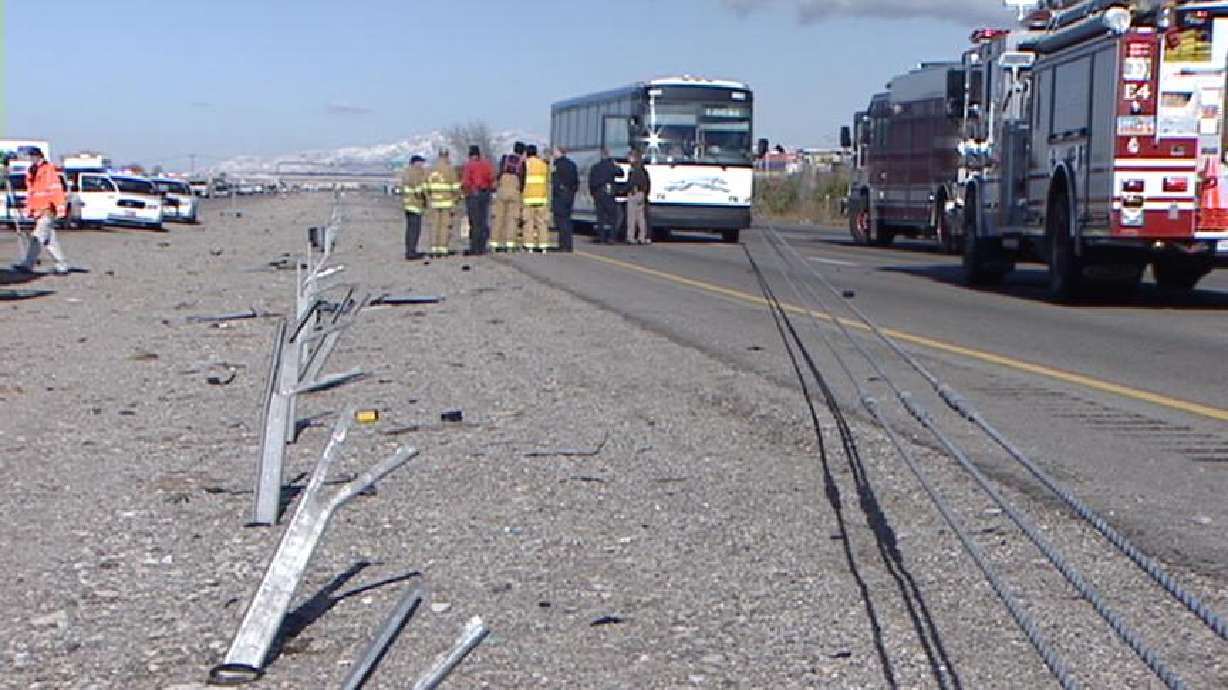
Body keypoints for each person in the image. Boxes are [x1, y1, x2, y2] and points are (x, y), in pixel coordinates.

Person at [14, 148, 70, 274]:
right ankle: (62, 264)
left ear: (40, 156)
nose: (32, 158)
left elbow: (55, 190)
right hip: (38, 211)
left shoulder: (48, 170)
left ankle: (28, 264)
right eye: (30, 156)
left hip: (47, 210)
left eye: (33, 156)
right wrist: (28, 209)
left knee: (37, 238)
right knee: (50, 241)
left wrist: (60, 208)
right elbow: (32, 193)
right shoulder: (32, 171)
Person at [423, 149, 462, 257]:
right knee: (445, 225)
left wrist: (429, 199)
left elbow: (425, 187)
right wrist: (457, 199)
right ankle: (442, 248)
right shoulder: (450, 169)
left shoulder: (430, 169)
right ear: (447, 156)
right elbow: (456, 187)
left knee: (434, 225)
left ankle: (434, 248)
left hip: (434, 202)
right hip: (446, 202)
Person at [461, 145, 495, 256]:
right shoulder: (486, 164)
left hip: (473, 195)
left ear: (470, 154)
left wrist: (465, 193)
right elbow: (492, 179)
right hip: (485, 194)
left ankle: (474, 248)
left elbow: (466, 182)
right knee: (482, 221)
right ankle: (482, 247)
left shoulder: (469, 165)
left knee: (474, 222)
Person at [493, 141, 525, 251]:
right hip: (514, 190)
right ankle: (510, 244)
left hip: (502, 189)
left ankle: (495, 243)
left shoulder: (505, 159)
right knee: (512, 218)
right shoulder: (522, 162)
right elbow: (522, 179)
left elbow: (499, 173)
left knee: (499, 217)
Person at [520, 145, 550, 252]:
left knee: (528, 223)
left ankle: (529, 246)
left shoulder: (525, 164)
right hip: (541, 198)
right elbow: (548, 181)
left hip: (528, 198)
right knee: (541, 223)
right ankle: (543, 246)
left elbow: (521, 180)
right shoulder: (543, 164)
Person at [589, 148, 621, 244]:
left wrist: (593, 193)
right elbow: (621, 173)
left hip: (598, 193)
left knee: (600, 217)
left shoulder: (595, 167)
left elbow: (591, 182)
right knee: (613, 217)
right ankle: (611, 237)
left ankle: (601, 237)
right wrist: (616, 165)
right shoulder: (611, 166)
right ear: (608, 155)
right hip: (608, 193)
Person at [399, 155, 427, 260]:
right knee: (414, 230)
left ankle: (409, 250)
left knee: (410, 229)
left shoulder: (406, 172)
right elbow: (418, 189)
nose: (422, 165)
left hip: (408, 204)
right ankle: (411, 252)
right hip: (415, 204)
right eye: (421, 162)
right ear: (415, 162)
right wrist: (425, 198)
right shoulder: (416, 172)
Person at [551, 146, 578, 252]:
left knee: (560, 221)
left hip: (560, 196)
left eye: (555, 152)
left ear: (559, 152)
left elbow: (555, 180)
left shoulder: (557, 165)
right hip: (569, 194)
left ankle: (563, 245)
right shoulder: (572, 164)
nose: (553, 154)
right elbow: (575, 181)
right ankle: (568, 245)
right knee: (567, 219)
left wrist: (557, 191)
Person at [626, 149, 651, 245]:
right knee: (641, 217)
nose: (628, 159)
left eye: (629, 157)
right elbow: (648, 183)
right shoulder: (643, 169)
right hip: (642, 194)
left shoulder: (633, 169)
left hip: (634, 193)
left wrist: (623, 190)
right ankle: (642, 236)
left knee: (631, 217)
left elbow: (631, 183)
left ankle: (631, 237)